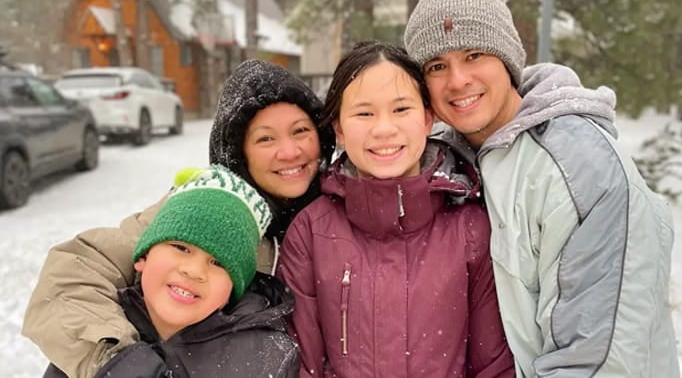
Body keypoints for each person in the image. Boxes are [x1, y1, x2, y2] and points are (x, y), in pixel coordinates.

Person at [404, 0, 680, 378]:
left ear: (508, 60)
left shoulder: (582, 166)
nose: (457, 80)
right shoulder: (443, 164)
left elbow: (598, 358)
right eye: (436, 66)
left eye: (474, 55)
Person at [22, 59, 335, 377]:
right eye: (266, 139)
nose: (290, 151)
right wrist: (118, 361)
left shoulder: (345, 211)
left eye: (301, 131)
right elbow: (73, 277)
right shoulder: (199, 209)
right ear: (239, 151)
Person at [276, 41, 514, 378]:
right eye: (364, 113)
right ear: (340, 129)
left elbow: (492, 365)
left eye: (401, 109)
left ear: (428, 118)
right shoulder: (312, 232)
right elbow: (301, 367)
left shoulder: (470, 228)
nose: (384, 129)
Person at [44, 165, 298, 377]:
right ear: (143, 257)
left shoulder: (265, 357)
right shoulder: (97, 330)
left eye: (219, 262)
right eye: (180, 247)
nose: (194, 270)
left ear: (234, 288)